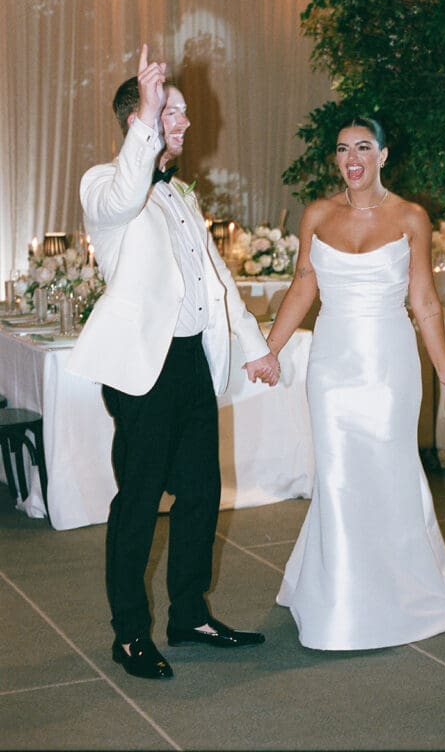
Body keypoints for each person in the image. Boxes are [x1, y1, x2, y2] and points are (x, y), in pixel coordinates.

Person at [68, 43, 280, 680]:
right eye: (171, 111)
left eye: (183, 112)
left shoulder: (184, 197)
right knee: (137, 502)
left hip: (191, 364)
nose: (185, 123)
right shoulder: (105, 187)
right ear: (139, 119)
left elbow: (216, 279)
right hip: (143, 371)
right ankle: (129, 633)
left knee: (201, 495)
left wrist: (255, 345)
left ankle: (189, 613)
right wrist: (145, 119)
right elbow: (126, 194)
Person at [266, 115, 445, 651]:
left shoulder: (410, 217)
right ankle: (338, 599)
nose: (351, 157)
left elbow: (424, 300)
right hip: (333, 362)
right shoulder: (316, 213)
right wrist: (269, 350)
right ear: (335, 159)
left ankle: (406, 588)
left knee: (390, 467)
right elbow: (303, 286)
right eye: (342, 149)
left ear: (382, 155)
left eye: (363, 147)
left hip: (389, 362)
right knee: (336, 474)